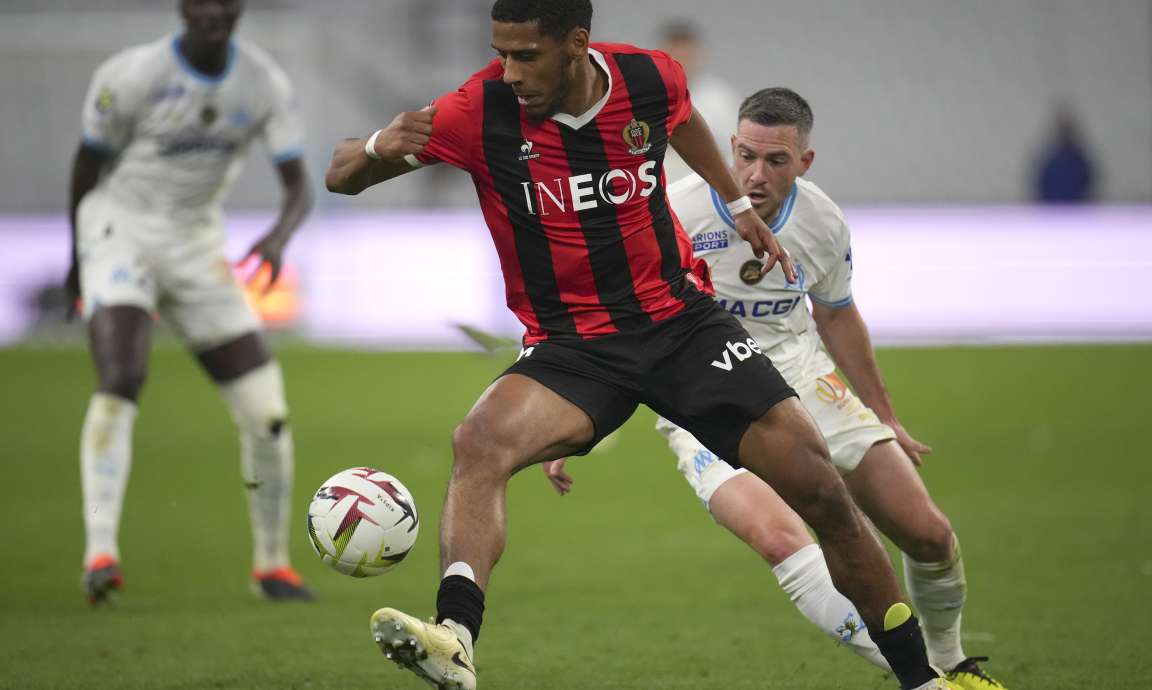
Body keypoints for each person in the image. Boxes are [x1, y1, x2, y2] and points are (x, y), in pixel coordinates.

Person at [325, 2, 949, 689]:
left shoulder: (648, 80)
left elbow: (682, 119)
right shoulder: (479, 109)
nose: (510, 71)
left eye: (525, 55)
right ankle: (454, 637)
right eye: (501, 52)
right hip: (574, 348)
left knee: (823, 494)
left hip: (682, 327)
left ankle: (923, 679)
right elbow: (341, 173)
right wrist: (383, 143)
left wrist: (736, 205)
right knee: (479, 441)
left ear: (575, 45)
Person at [545, 87, 1009, 690]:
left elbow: (837, 314)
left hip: (803, 376)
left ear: (805, 162)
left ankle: (949, 659)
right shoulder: (673, 213)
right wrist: (567, 419)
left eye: (776, 161)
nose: (755, 175)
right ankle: (928, 680)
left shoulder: (821, 220)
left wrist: (885, 413)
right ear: (728, 148)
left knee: (928, 533)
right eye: (744, 156)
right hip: (703, 392)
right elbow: (614, 319)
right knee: (778, 537)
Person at [69, 0, 313, 604]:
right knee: (123, 376)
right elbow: (87, 165)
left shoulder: (261, 83)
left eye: (226, 2)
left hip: (197, 245)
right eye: (203, 1)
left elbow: (298, 183)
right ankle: (100, 552)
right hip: (120, 232)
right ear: (183, 7)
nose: (215, 11)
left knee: (267, 413)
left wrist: (278, 237)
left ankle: (273, 566)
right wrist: (78, 263)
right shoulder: (132, 75)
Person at [658, 20, 741, 183]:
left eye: (686, 54)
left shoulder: (720, 99)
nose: (681, 60)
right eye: (675, 53)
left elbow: (736, 151)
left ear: (698, 55)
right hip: (657, 192)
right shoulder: (643, 96)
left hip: (704, 189)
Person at [1034, 109, 1096, 203]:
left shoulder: (1080, 161)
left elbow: (1088, 185)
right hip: (1052, 210)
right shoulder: (1049, 160)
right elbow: (1041, 186)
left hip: (1077, 211)